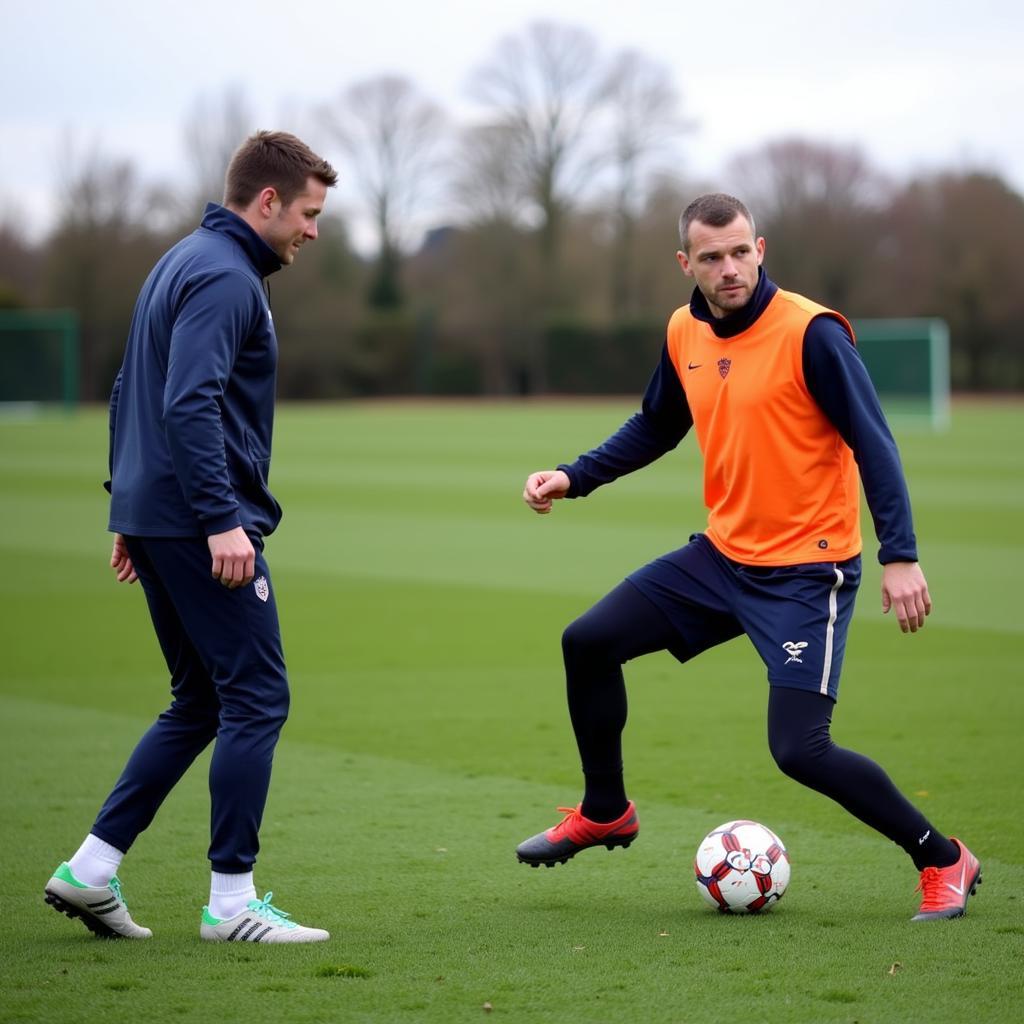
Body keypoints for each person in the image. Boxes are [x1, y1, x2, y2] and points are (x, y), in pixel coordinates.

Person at [517, 193, 980, 922]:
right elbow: (657, 425)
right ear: (686, 263)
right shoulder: (683, 329)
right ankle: (605, 810)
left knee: (800, 751)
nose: (729, 269)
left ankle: (943, 858)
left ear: (760, 248)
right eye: (711, 257)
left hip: (808, 571)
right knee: (589, 642)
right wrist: (576, 476)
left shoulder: (812, 333)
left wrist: (902, 555)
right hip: (724, 557)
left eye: (740, 252)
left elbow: (875, 443)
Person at [44, 131, 339, 943]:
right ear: (268, 201)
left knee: (201, 699)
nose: (314, 231)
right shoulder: (225, 276)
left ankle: (90, 871)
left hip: (156, 513)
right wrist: (218, 519)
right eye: (309, 213)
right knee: (257, 695)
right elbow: (186, 403)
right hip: (196, 519)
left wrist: (126, 507)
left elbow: (123, 387)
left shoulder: (184, 258)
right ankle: (233, 905)